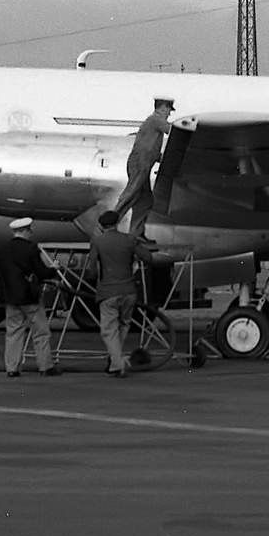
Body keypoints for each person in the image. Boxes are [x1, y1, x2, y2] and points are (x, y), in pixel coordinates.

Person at [83, 209, 154, 377]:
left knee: (108, 330)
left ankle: (118, 363)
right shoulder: (129, 239)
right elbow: (148, 258)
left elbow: (92, 271)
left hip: (108, 292)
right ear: (116, 224)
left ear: (101, 226)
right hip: (129, 292)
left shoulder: (98, 242)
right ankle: (115, 361)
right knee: (123, 325)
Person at [0, 217, 59, 377]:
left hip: (11, 298)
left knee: (13, 333)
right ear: (25, 230)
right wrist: (54, 269)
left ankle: (12, 368)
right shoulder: (31, 249)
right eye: (30, 230)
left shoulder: (1, 250)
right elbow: (41, 271)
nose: (32, 233)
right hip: (30, 297)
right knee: (41, 332)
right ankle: (45, 367)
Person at [113, 97, 173, 235]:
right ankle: (108, 226)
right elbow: (174, 131)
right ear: (163, 108)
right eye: (169, 110)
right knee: (131, 193)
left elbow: (151, 149)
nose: (169, 114)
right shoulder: (155, 119)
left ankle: (136, 234)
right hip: (140, 162)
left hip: (144, 162)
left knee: (145, 201)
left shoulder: (152, 124)